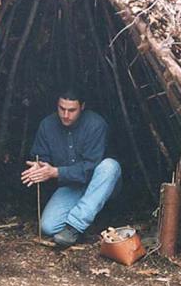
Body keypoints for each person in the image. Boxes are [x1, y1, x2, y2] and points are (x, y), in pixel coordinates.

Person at [21, 86, 121, 247]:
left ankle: (75, 227)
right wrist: (39, 167)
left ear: (82, 107)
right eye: (62, 109)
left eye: (72, 110)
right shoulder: (47, 125)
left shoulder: (96, 125)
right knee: (48, 227)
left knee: (110, 166)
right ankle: (83, 224)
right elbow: (42, 158)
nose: (65, 115)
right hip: (72, 185)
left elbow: (90, 168)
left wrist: (55, 172)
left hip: (99, 183)